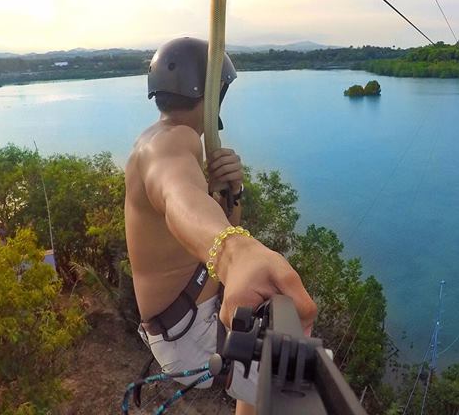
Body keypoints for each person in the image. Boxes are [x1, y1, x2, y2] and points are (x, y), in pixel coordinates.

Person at [125, 37, 317, 414]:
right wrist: (235, 252)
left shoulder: (162, 140)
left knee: (267, 310)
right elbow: (176, 194)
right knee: (277, 340)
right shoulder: (170, 144)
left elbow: (201, 217)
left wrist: (232, 193)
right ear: (215, 94)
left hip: (182, 319)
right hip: (189, 333)